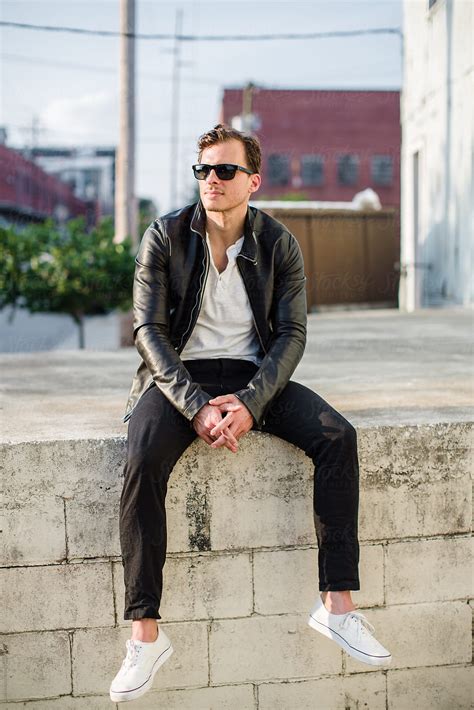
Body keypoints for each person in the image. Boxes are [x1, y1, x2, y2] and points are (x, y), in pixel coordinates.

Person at [109, 124, 391, 703]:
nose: (211, 180)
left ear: (252, 180)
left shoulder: (278, 242)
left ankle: (338, 605)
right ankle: (145, 635)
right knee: (140, 456)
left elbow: (292, 333)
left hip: (252, 375)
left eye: (225, 171)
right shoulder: (163, 237)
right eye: (203, 170)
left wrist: (251, 401)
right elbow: (148, 332)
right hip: (176, 379)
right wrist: (194, 407)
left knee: (338, 435)